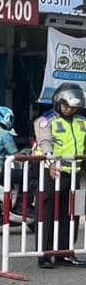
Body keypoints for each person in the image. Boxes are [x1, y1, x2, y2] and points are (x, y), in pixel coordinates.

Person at [34, 83, 86, 269]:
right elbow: (45, 143)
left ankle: (65, 253)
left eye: (74, 107)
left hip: (75, 174)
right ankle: (45, 254)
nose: (70, 110)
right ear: (58, 102)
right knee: (47, 214)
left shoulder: (82, 121)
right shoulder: (46, 121)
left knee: (72, 214)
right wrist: (50, 162)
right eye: (67, 106)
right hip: (53, 173)